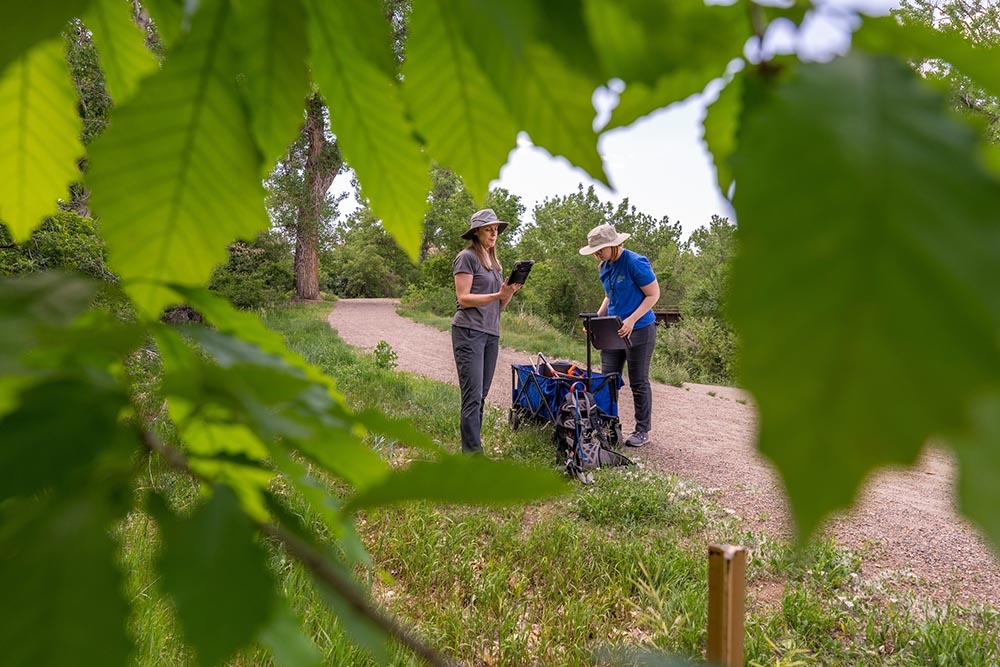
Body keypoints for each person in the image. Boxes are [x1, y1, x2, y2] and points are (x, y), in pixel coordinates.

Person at [579, 223, 660, 447]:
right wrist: (595, 319)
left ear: (613, 245)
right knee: (607, 380)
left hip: (640, 329)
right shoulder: (603, 267)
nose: (596, 254)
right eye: (594, 250)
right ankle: (607, 426)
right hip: (613, 330)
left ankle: (642, 431)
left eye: (600, 249)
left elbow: (653, 295)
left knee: (638, 381)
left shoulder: (635, 263)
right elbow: (609, 296)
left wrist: (632, 319)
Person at [452, 208, 523, 455]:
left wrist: (509, 293)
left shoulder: (495, 264)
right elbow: (464, 298)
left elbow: (498, 305)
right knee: (471, 396)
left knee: (480, 395)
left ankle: (473, 449)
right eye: (488, 229)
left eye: (496, 230)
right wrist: (497, 294)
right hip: (468, 330)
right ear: (476, 232)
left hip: (491, 332)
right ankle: (472, 457)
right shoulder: (466, 257)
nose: (494, 233)